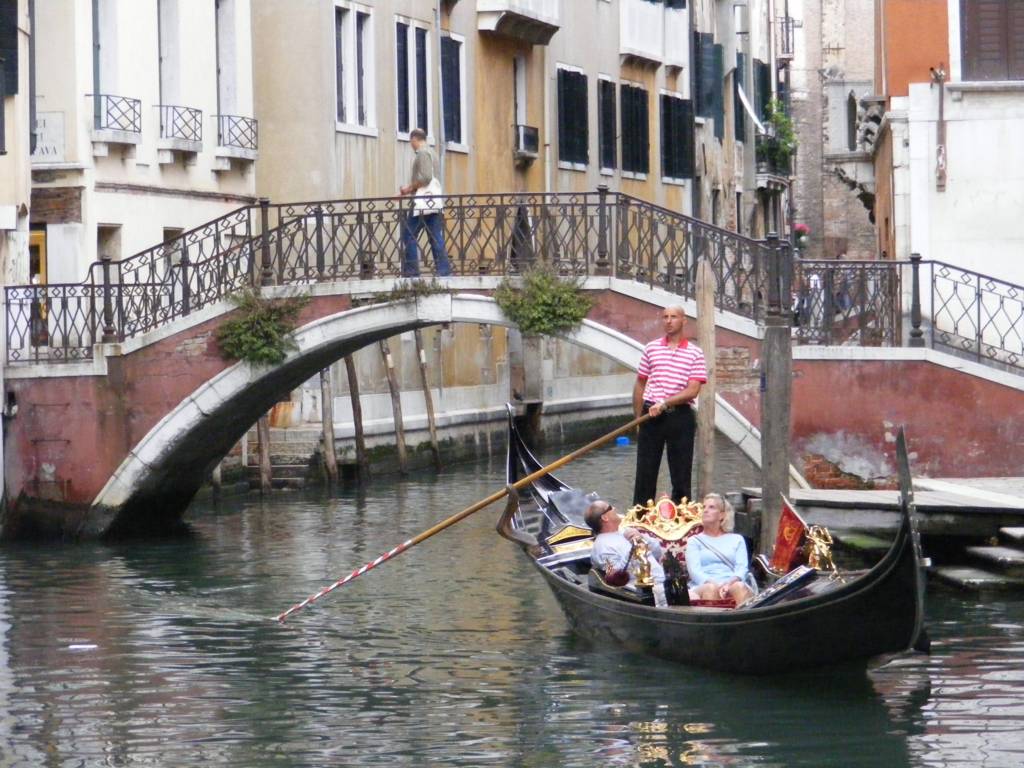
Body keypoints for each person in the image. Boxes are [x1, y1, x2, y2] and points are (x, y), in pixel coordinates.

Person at [632, 305, 708, 507]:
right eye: (665, 317)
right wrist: (638, 419)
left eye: (673, 317)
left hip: (680, 416)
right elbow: (640, 384)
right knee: (645, 474)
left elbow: (693, 390)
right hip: (651, 416)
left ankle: (681, 518)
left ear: (683, 321)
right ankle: (640, 518)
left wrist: (665, 403)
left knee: (681, 473)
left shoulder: (695, 353)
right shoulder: (651, 348)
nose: (668, 321)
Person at [584, 500, 666, 605]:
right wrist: (632, 548)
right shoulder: (601, 548)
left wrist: (642, 537)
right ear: (605, 518)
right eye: (610, 508)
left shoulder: (625, 531)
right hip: (645, 594)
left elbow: (657, 553)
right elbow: (615, 575)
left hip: (663, 583)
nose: (615, 508)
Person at [399, 128, 452, 278]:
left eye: (411, 142)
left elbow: (426, 178)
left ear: (414, 139)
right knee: (435, 237)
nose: (411, 145)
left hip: (423, 204)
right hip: (434, 203)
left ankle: (412, 272)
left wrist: (408, 188)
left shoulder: (422, 153)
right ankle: (444, 271)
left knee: (408, 234)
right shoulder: (433, 153)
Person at [685, 493, 755, 605]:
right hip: (703, 584)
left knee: (739, 586)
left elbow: (742, 569)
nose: (705, 510)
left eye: (711, 507)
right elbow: (695, 572)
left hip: (731, 582)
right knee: (711, 588)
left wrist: (728, 584)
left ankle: (741, 621)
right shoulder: (694, 541)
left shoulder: (737, 539)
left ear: (722, 515)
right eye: (704, 507)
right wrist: (716, 585)